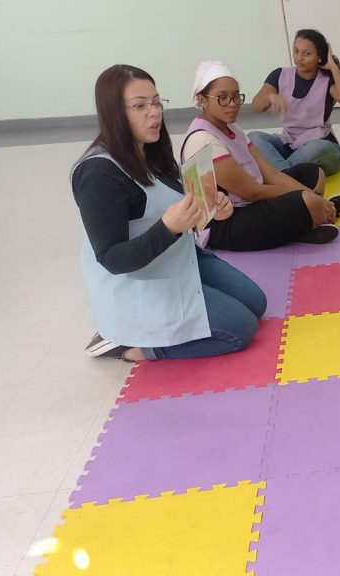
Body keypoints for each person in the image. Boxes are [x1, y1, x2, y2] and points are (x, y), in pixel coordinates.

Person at [75, 64, 265, 362]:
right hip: (139, 280)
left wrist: (212, 207)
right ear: (114, 112)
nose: (154, 113)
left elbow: (175, 202)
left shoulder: (150, 150)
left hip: (176, 257)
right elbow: (112, 259)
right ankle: (131, 345)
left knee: (256, 302)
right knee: (241, 328)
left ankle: (184, 309)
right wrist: (168, 228)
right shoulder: (98, 174)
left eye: (156, 102)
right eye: (140, 106)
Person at [182, 61, 340, 249]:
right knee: (307, 200)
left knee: (314, 173)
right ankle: (311, 219)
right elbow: (252, 191)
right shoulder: (202, 139)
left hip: (251, 199)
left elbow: (271, 173)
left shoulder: (232, 128)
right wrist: (310, 197)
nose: (232, 104)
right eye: (222, 98)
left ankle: (310, 216)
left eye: (236, 96)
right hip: (226, 221)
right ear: (202, 100)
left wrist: (311, 197)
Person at [249, 29, 340, 175]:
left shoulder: (327, 79)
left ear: (319, 57)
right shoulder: (279, 75)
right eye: (296, 51)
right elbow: (256, 106)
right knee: (253, 137)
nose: (299, 58)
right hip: (289, 144)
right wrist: (270, 97)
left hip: (322, 146)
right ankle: (287, 175)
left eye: (307, 54)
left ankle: (278, 174)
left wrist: (332, 66)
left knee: (315, 148)